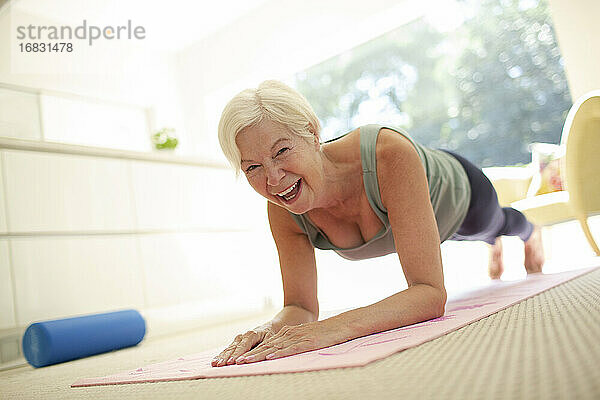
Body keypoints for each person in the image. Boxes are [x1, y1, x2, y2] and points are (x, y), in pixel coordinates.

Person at [211, 79, 544, 368]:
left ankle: (530, 233)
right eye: (252, 168)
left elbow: (429, 295)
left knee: (495, 225)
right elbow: (299, 306)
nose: (272, 178)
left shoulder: (388, 153)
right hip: (423, 216)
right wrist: (268, 330)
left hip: (462, 198)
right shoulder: (283, 206)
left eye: (281, 150)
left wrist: (331, 329)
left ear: (312, 133)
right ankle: (495, 243)